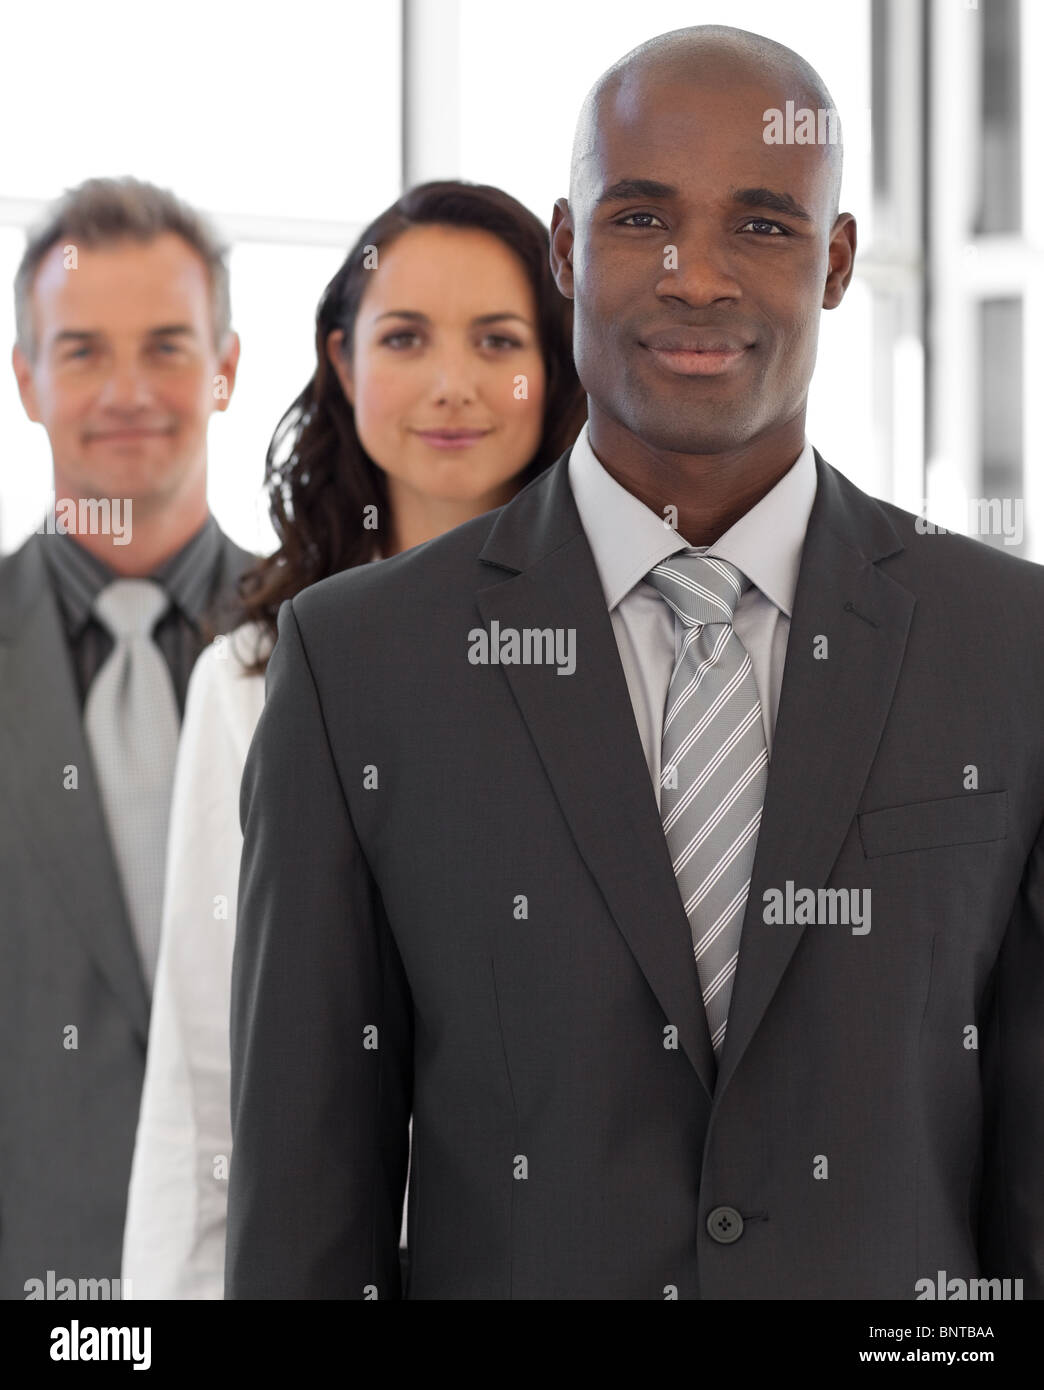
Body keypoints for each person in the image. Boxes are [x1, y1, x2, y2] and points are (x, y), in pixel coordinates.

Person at [226, 25, 1044, 1300]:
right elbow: (301, 1218)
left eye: (764, 226)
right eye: (643, 217)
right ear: (565, 249)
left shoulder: (1010, 647)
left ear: (835, 264)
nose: (698, 277)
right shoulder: (360, 668)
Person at [121, 180, 585, 1298]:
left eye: (499, 340)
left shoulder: (630, 642)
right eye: (406, 337)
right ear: (342, 361)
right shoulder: (252, 674)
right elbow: (203, 1072)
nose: (453, 384)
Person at [0, 177, 254, 1299]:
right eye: (83, 351)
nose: (129, 391)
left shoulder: (334, 650)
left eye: (166, 346)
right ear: (25, 379)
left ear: (227, 368)